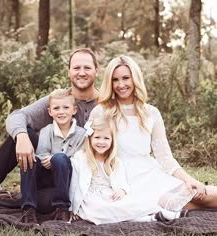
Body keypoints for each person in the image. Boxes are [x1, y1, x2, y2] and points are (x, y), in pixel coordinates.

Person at [89, 55, 217, 220]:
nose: (121, 85)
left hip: (150, 176)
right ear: (110, 82)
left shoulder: (150, 112)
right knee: (172, 203)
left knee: (203, 195)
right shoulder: (101, 112)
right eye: (115, 80)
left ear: (135, 78)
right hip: (120, 180)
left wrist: (188, 179)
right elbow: (90, 152)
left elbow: (164, 157)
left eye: (126, 78)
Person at [0, 48, 99, 212]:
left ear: (96, 71)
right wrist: (21, 137)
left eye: (87, 68)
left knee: (45, 204)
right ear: (69, 71)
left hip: (78, 177)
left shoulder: (105, 104)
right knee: (24, 133)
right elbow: (17, 116)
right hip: (48, 168)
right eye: (76, 68)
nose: (82, 73)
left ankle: (27, 201)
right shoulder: (60, 100)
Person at [69, 116, 187, 225]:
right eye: (97, 137)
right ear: (90, 139)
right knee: (101, 210)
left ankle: (163, 213)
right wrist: (72, 208)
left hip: (110, 194)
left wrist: (122, 190)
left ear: (112, 141)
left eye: (106, 138)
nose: (101, 142)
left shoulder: (114, 161)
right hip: (90, 199)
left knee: (129, 204)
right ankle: (150, 218)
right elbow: (73, 185)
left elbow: (121, 181)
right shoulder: (81, 158)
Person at [20, 88, 85, 224]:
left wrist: (57, 158)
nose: (61, 112)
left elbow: (80, 159)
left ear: (74, 110)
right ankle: (28, 209)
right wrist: (48, 159)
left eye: (66, 107)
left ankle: (62, 209)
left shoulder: (81, 134)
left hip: (65, 178)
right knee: (30, 160)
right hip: (45, 177)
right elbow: (41, 153)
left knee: (60, 158)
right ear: (50, 112)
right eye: (56, 108)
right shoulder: (46, 130)